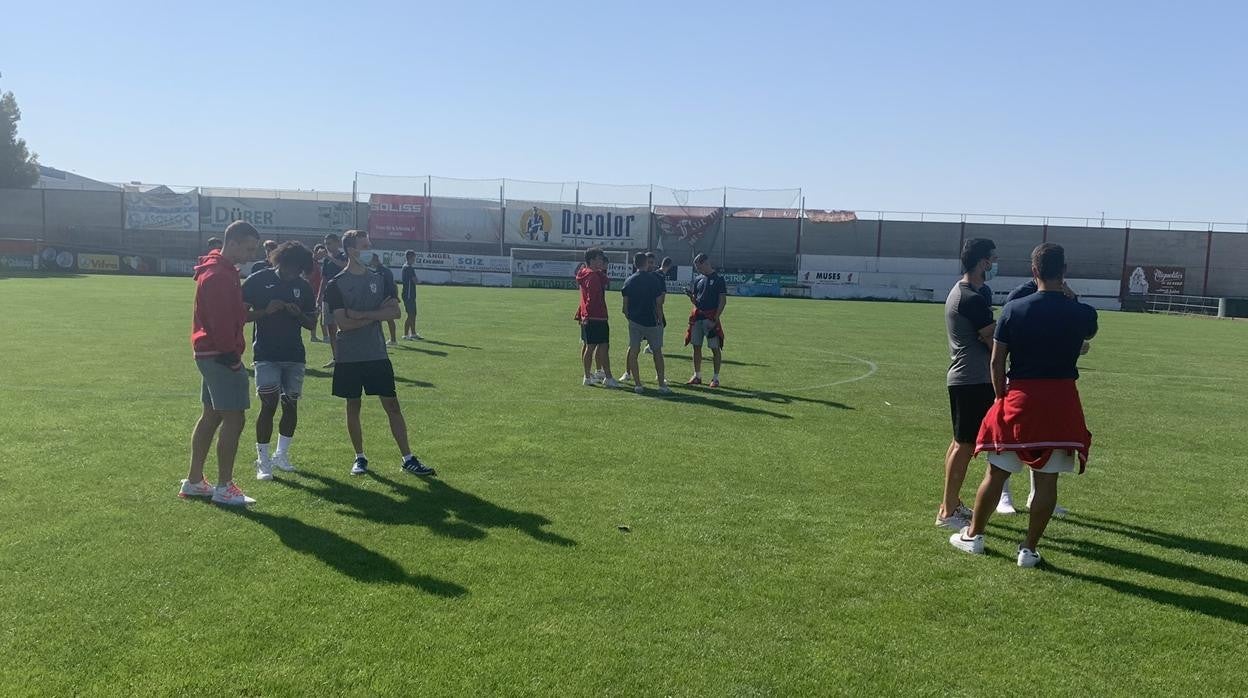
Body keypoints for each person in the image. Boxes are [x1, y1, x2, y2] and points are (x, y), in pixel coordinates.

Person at [949, 243, 1098, 568]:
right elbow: (1087, 328)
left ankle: (974, 536)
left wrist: (1001, 398)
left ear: (1034, 272)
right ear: (1064, 272)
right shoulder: (1082, 313)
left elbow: (996, 361)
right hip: (1061, 401)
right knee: (1047, 481)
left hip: (1019, 398)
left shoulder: (1014, 311)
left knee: (997, 473)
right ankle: (1028, 550)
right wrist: (1069, 295)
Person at [323, 230, 437, 477]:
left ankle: (408, 458)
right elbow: (344, 324)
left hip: (377, 353)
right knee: (353, 406)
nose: (370, 249)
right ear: (352, 250)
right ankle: (360, 457)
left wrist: (362, 314)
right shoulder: (335, 285)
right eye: (365, 246)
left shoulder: (381, 277)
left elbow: (395, 313)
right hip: (350, 356)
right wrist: (376, 314)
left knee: (392, 405)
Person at [179, 220, 261, 506]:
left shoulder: (219, 271)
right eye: (249, 248)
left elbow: (225, 314)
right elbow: (220, 322)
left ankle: (195, 481)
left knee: (212, 416)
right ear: (233, 242)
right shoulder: (218, 275)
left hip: (209, 353)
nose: (252, 255)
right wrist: (231, 357)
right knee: (234, 418)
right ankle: (224, 486)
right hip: (219, 355)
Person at [995, 278, 1090, 515]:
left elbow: (1079, 330)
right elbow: (1005, 341)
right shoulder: (1020, 295)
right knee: (1008, 445)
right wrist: (999, 394)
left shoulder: (1067, 298)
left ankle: (1036, 496)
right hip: (1020, 382)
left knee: (1043, 441)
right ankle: (1003, 496)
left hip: (1051, 384)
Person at [935, 238, 998, 530]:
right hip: (971, 379)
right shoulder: (969, 299)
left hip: (968, 378)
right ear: (983, 262)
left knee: (960, 442)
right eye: (992, 259)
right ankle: (948, 513)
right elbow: (993, 340)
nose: (994, 264)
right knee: (964, 445)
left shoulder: (971, 293)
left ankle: (950, 504)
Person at [242, 241, 318, 480]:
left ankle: (281, 455)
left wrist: (299, 315)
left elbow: (312, 323)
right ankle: (262, 459)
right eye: (291, 267)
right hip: (266, 354)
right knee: (268, 404)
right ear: (280, 260)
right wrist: (265, 311)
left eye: (299, 269)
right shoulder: (257, 280)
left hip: (294, 356)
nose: (294, 272)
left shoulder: (303, 287)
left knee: (291, 404)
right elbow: (240, 314)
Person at [622, 252, 669, 394]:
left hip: (635, 321)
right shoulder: (654, 280)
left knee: (633, 351)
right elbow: (659, 303)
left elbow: (624, 307)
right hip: (652, 321)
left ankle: (638, 384)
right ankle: (661, 385)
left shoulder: (629, 281)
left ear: (635, 263)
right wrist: (660, 319)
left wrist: (630, 318)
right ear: (646, 263)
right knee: (657, 352)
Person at [575, 247, 619, 387]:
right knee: (602, 347)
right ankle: (607, 377)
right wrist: (587, 315)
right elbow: (591, 298)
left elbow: (605, 281)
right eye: (599, 258)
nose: (602, 261)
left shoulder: (587, 273)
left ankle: (588, 376)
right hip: (596, 317)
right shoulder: (592, 276)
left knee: (590, 347)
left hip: (590, 317)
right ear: (592, 260)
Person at [684, 253, 727, 387]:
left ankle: (715, 378)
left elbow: (722, 301)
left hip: (710, 319)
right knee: (696, 347)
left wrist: (715, 319)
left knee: (714, 348)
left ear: (706, 263)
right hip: (697, 318)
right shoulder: (698, 279)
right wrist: (691, 297)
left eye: (699, 266)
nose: (698, 269)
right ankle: (697, 375)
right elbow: (697, 300)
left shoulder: (719, 279)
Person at [319, 233, 348, 368]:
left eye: (330, 243)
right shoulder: (326, 260)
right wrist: (319, 297)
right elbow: (324, 279)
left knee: (345, 327)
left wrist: (328, 256)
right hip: (328, 296)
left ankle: (347, 357)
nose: (327, 246)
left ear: (337, 243)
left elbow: (344, 266)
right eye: (326, 243)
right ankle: (336, 358)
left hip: (342, 296)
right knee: (331, 327)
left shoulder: (343, 256)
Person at [369, 253, 399, 346]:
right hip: (392, 297)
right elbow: (394, 284)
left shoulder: (379, 271)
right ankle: (393, 340)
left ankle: (378, 341)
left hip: (384, 298)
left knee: (377, 319)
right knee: (390, 319)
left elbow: (380, 286)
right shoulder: (387, 270)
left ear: (375, 260)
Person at [400, 250, 424, 340]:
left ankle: (413, 333)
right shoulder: (409, 268)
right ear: (410, 257)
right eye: (414, 257)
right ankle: (405, 334)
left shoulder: (406, 267)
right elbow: (415, 280)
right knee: (411, 314)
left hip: (410, 294)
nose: (415, 259)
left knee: (413, 314)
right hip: (408, 294)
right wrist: (419, 281)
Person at [307, 244, 326, 343]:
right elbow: (308, 277)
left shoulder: (317, 263)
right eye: (321, 254)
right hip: (314, 293)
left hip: (318, 292)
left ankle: (316, 336)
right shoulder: (311, 263)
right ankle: (313, 336)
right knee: (316, 315)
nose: (322, 256)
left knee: (320, 315)